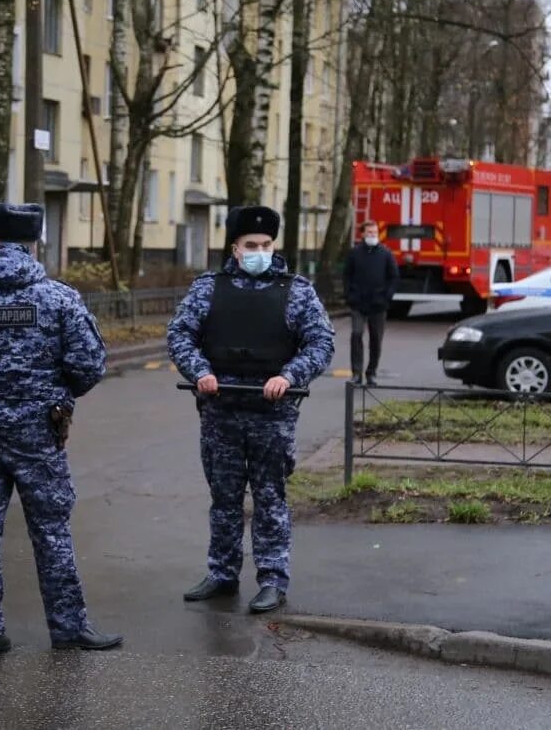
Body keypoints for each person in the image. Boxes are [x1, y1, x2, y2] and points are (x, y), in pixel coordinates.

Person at [0, 202, 123, 658]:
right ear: (35, 242)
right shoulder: (59, 299)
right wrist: (56, 394)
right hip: (38, 433)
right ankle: (68, 628)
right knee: (51, 530)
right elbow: (89, 365)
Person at [167, 205, 334, 614]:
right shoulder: (209, 288)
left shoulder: (296, 291)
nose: (260, 251)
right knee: (223, 499)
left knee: (269, 499)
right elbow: (180, 334)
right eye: (251, 245)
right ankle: (222, 573)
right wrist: (200, 370)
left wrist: (290, 375)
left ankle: (273, 578)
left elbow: (321, 343)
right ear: (235, 249)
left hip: (272, 415)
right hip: (220, 411)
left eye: (266, 244)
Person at [343, 220, 397, 386]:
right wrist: (350, 296)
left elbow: (393, 277)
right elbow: (347, 276)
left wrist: (386, 297)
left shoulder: (385, 254)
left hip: (378, 305)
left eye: (375, 233)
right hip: (358, 303)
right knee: (357, 335)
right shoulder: (355, 253)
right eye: (369, 233)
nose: (372, 235)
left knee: (376, 338)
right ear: (362, 234)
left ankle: (371, 373)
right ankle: (356, 373)